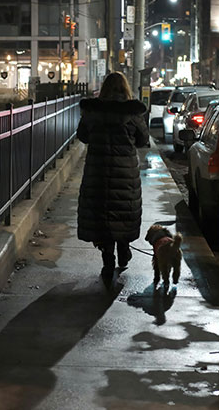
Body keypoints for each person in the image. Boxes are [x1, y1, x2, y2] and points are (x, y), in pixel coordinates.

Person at [76, 72, 149, 280]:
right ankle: (123, 249)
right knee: (122, 211)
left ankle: (108, 258)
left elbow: (82, 136)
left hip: (97, 172)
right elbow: (143, 140)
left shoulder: (92, 111)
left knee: (102, 215)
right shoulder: (133, 113)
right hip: (125, 173)